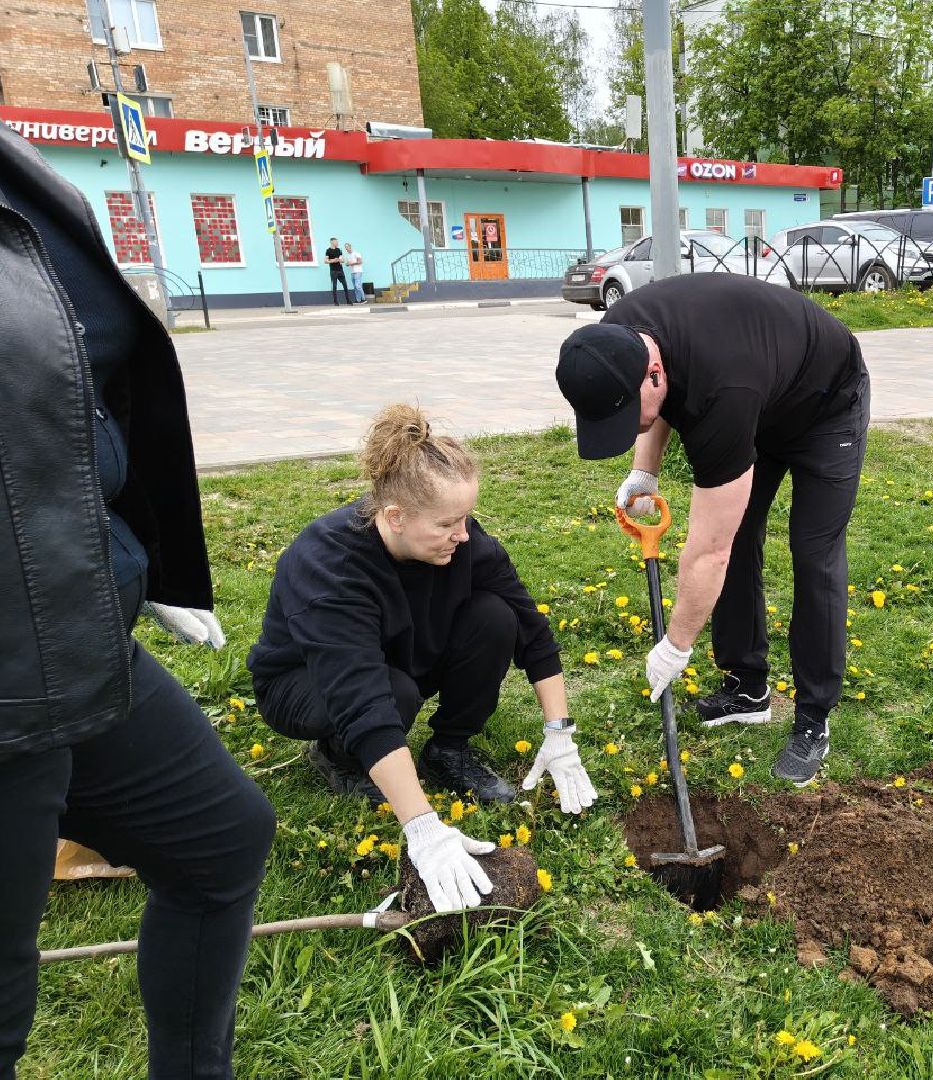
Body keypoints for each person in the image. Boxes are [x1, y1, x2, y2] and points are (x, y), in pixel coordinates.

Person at [0, 125, 275, 1078]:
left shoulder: (18, 174)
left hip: (77, 635)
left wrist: (124, 561)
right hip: (3, 690)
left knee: (219, 841)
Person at [247, 405, 596, 910]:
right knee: (392, 695)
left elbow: (532, 632)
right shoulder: (329, 564)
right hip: (302, 684)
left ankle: (448, 749)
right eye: (448, 524)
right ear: (395, 517)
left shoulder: (464, 544)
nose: (464, 535)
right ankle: (338, 757)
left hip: (400, 654)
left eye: (466, 519)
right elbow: (360, 695)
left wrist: (559, 732)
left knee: (496, 617)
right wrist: (422, 826)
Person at [554, 274, 869, 788]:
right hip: (761, 395)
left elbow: (707, 553)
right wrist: (645, 470)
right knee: (740, 530)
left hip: (825, 403)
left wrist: (676, 644)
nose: (628, 425)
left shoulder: (722, 386)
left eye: (628, 415)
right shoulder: (612, 341)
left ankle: (814, 717)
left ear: (653, 372)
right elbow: (655, 407)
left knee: (814, 553)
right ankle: (748, 688)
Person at [325, 237, 352, 306]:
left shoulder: (339, 250)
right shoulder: (328, 250)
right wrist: (333, 260)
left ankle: (348, 300)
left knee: (345, 285)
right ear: (332, 242)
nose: (337, 243)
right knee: (334, 286)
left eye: (337, 242)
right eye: (336, 242)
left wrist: (339, 260)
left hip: (340, 270)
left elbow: (342, 260)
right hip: (333, 271)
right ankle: (336, 302)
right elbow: (325, 261)